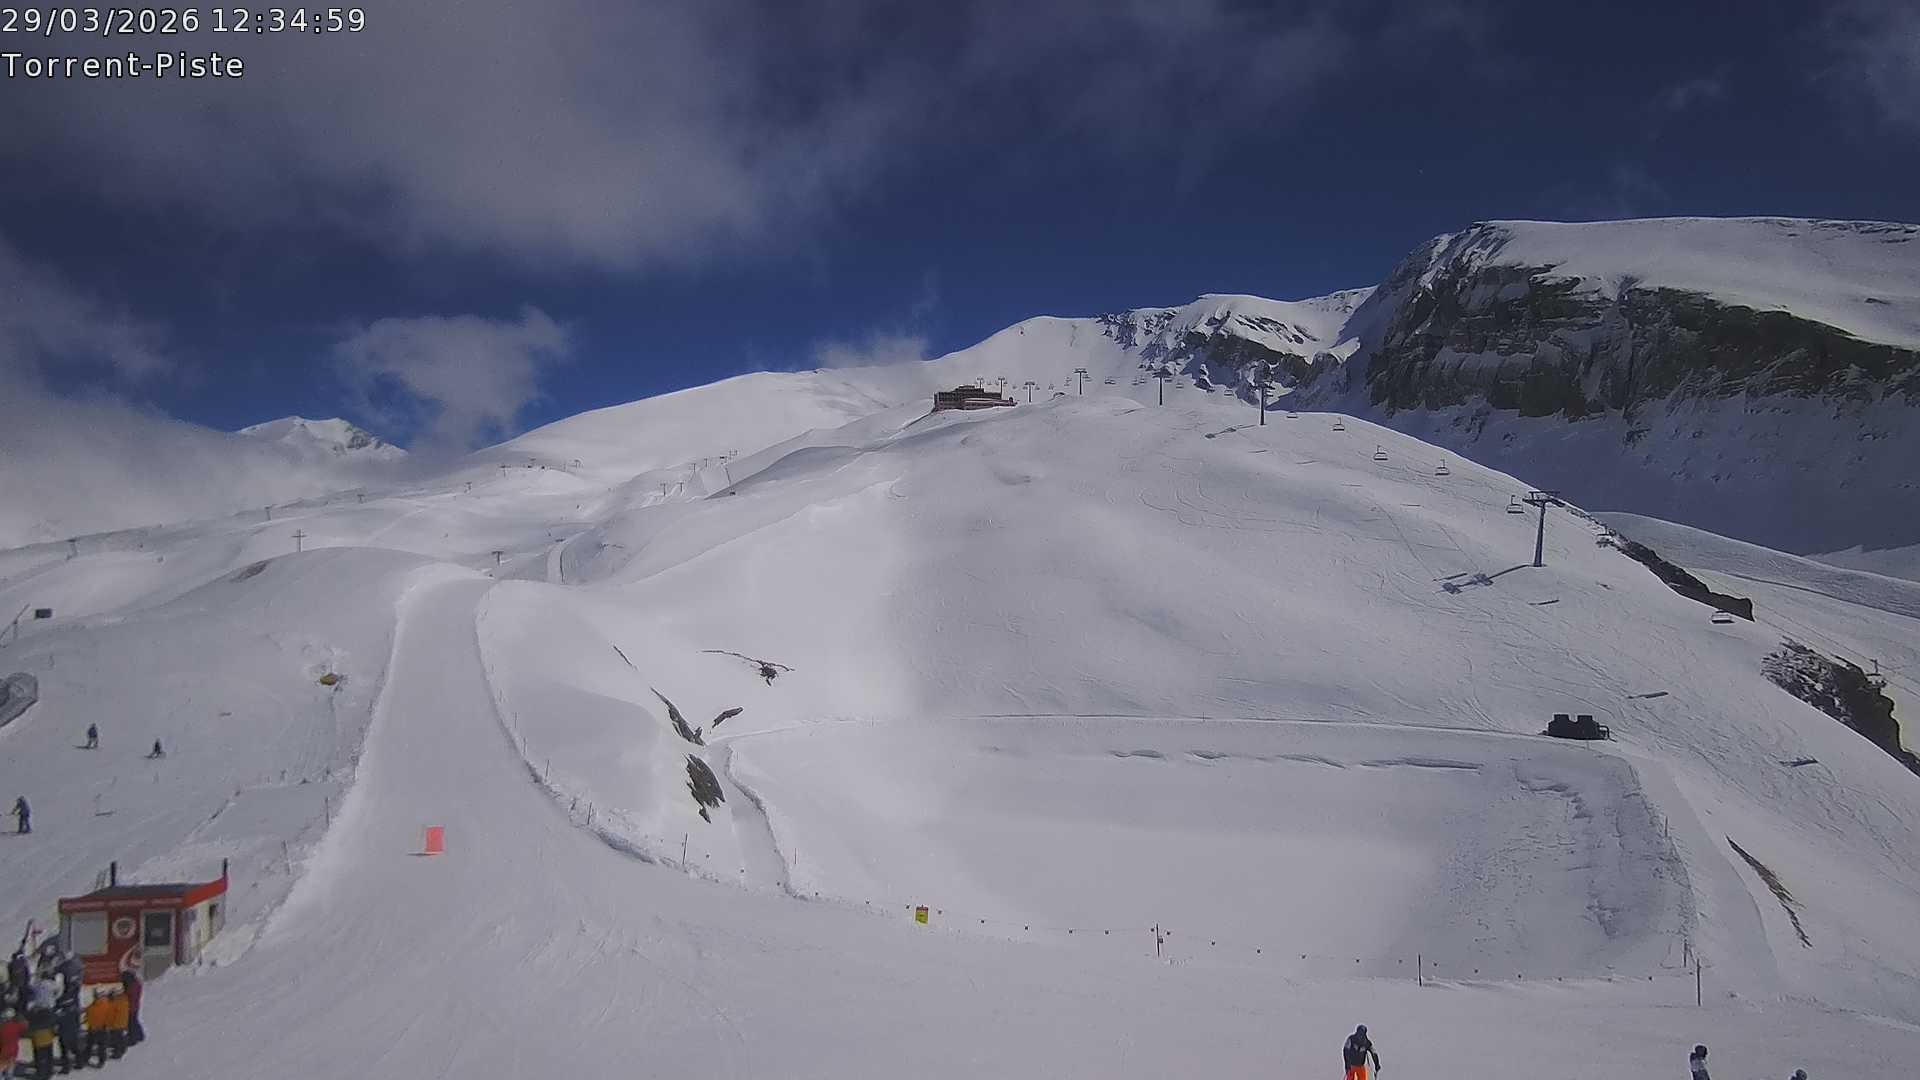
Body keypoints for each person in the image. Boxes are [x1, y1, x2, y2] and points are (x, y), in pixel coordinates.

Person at [81, 994, 112, 1068]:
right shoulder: (106, 1004)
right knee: (102, 1047)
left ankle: (85, 1059)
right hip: (102, 1029)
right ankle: (101, 1061)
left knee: (89, 1045)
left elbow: (87, 1016)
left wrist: (84, 1022)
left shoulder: (91, 1007)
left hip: (92, 1029)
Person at [0, 1008, 26, 1080]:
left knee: (2, 1066)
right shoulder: (17, 1026)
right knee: (10, 1068)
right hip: (14, 1049)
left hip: (4, 1050)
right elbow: (24, 1028)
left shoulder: (2, 1027)